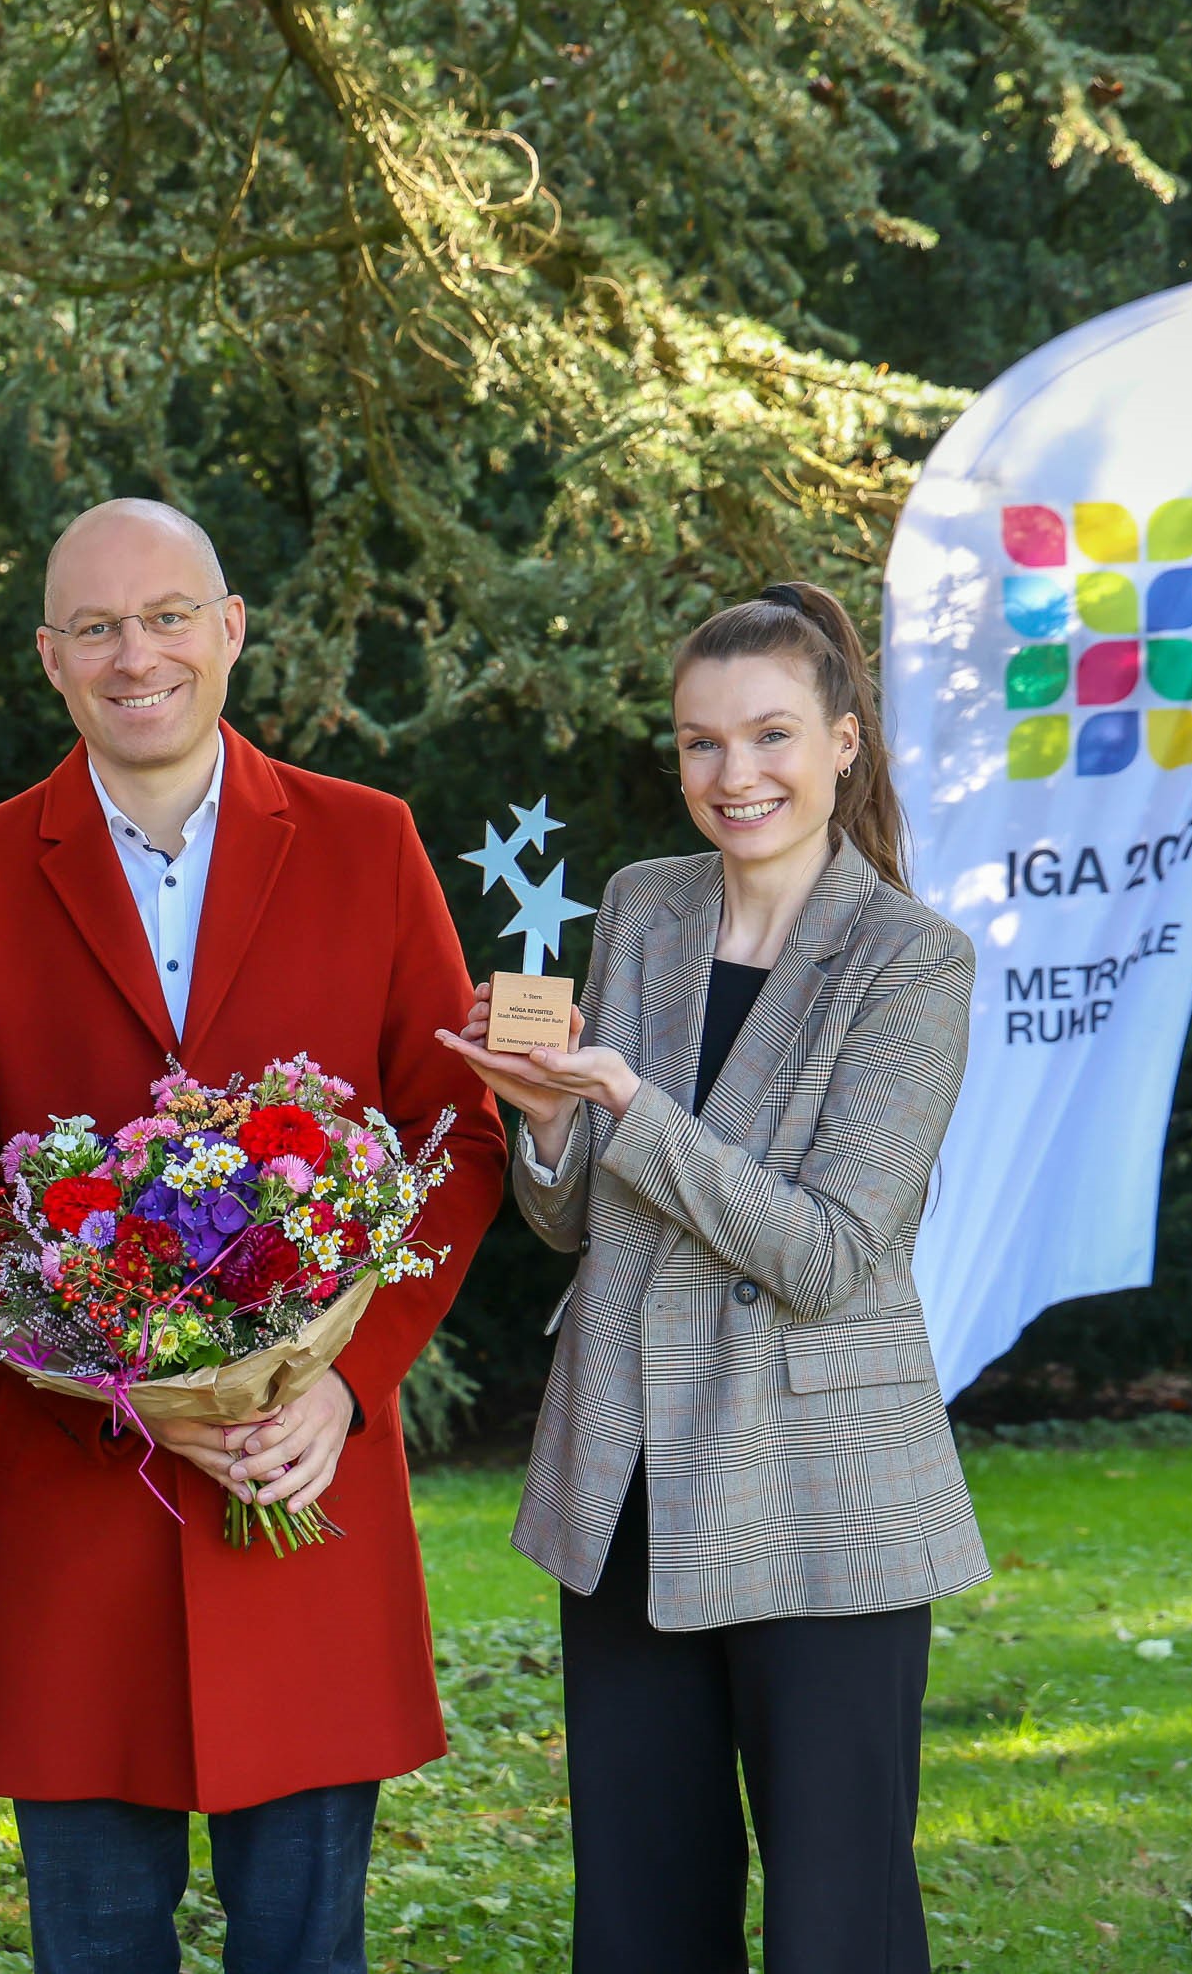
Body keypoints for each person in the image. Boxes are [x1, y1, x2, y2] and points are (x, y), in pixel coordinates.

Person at [0, 498, 505, 1973]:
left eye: (167, 616)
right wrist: (95, 1348)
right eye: (96, 626)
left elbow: (453, 1135)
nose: (134, 653)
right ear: (50, 660)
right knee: (92, 1948)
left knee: (306, 1950)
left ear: (230, 632)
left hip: (301, 1483)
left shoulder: (367, 841)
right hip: (77, 1494)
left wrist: (348, 1388)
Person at [437, 580, 987, 1974]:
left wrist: (628, 1105)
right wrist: (551, 1121)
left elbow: (828, 1251)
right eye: (700, 743)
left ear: (846, 742)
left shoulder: (912, 960)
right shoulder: (642, 906)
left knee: (836, 1920)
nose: (734, 775)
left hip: (821, 1490)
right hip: (626, 1472)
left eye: (771, 736)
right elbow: (570, 1224)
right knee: (639, 1909)